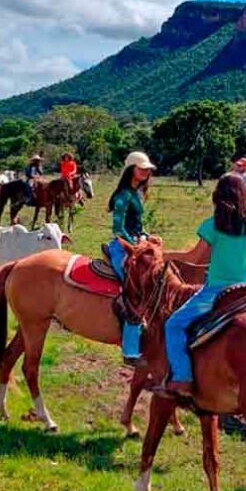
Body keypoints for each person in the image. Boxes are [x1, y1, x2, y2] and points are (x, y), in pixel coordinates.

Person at [161, 173, 246, 397]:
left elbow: (195, 258)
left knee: (173, 324)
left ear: (218, 196)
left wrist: (166, 254)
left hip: (217, 292)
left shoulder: (211, 226)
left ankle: (182, 378)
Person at [107, 152, 157, 361]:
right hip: (123, 248)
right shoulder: (123, 196)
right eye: (142, 168)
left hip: (137, 244)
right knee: (134, 291)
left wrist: (146, 236)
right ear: (131, 170)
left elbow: (138, 225)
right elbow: (118, 230)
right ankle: (130, 351)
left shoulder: (137, 193)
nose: (146, 172)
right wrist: (135, 245)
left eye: (148, 169)